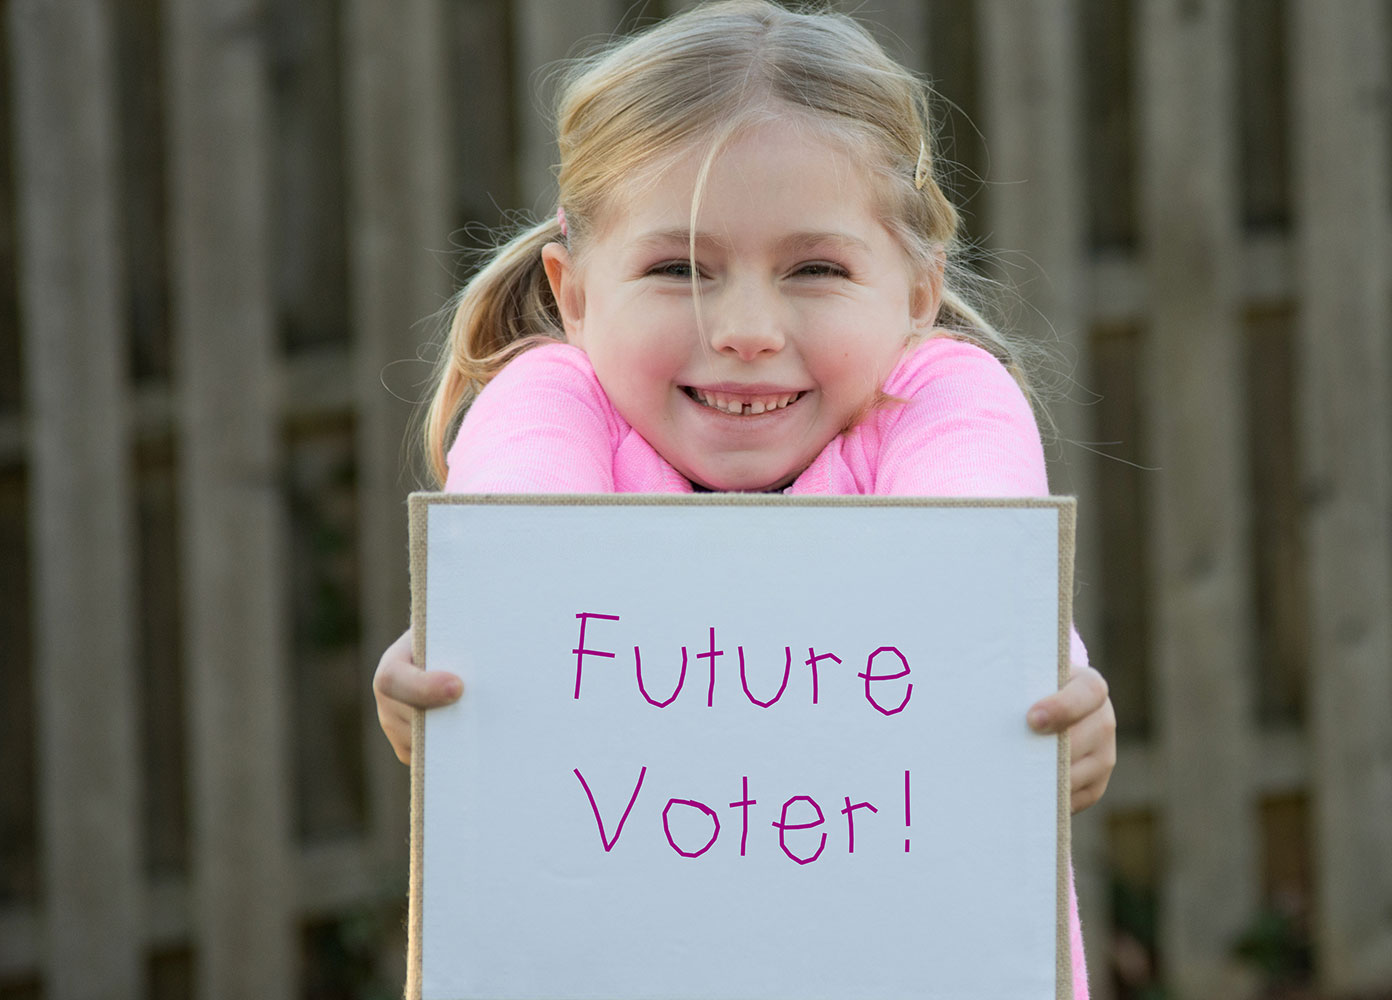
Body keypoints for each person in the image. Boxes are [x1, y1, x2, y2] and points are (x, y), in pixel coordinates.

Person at [374, 1, 1113, 993]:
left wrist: (1056, 690)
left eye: (816, 268)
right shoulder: (546, 403)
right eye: (680, 267)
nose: (748, 328)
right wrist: (444, 676)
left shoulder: (944, 397)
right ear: (577, 290)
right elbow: (515, 592)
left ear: (918, 288)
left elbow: (978, 588)